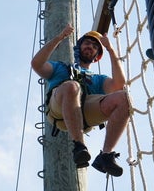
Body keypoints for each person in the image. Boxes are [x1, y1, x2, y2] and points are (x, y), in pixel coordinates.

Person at [31, 24, 129, 176]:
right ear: (79, 47)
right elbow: (37, 64)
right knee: (72, 86)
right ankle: (79, 145)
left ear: (97, 56)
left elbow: (119, 84)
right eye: (87, 43)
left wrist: (110, 49)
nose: (90, 46)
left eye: (95, 46)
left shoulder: (97, 79)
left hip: (85, 115)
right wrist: (59, 37)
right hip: (59, 109)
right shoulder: (59, 68)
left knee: (124, 99)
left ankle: (106, 155)